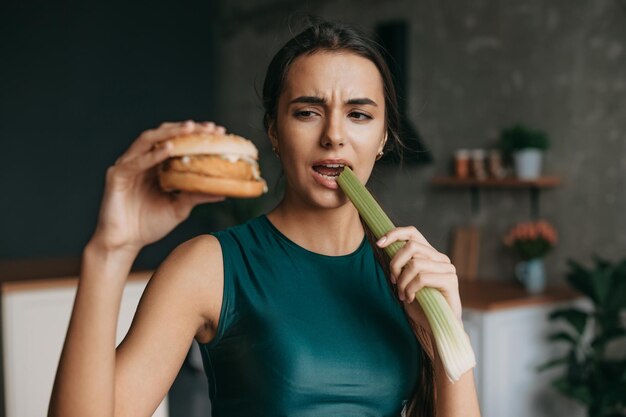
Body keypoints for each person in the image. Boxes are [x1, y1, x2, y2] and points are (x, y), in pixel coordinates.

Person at [49, 20, 481, 417]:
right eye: (307, 112)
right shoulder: (209, 267)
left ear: (383, 137)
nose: (334, 135)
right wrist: (109, 251)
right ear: (274, 131)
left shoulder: (408, 275)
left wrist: (448, 331)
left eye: (359, 115)